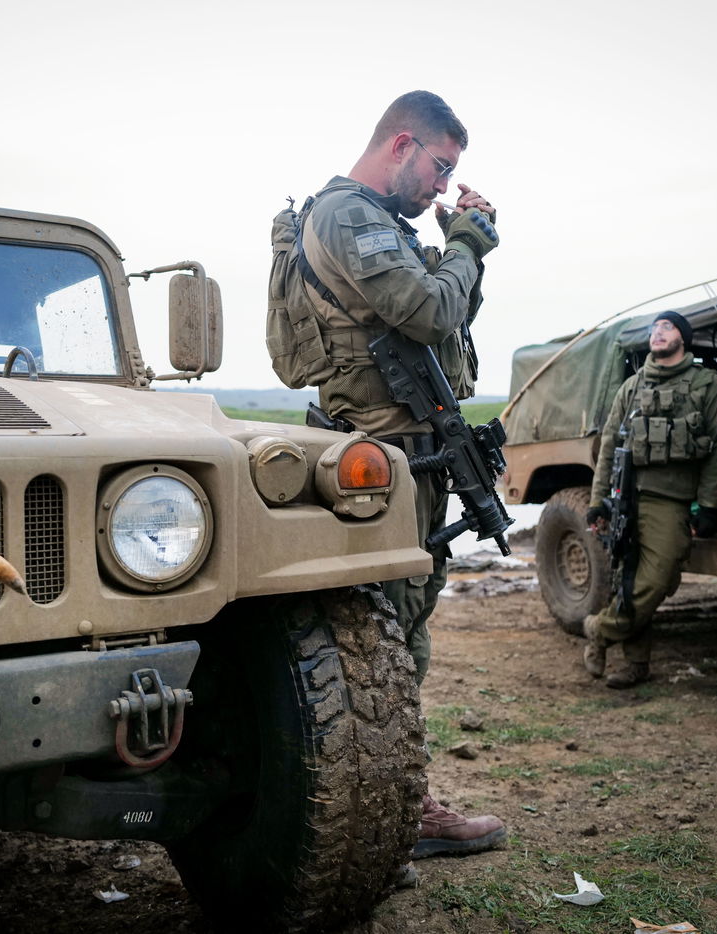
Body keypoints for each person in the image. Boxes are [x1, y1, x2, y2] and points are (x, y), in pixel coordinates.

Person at [299, 90, 505, 858]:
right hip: (382, 460)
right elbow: (426, 311)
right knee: (381, 647)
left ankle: (396, 806)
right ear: (400, 145)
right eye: (440, 168)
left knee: (402, 638)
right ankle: (386, 817)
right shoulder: (348, 216)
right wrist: (467, 244)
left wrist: (465, 246)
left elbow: (446, 319)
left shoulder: (381, 224)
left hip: (411, 453)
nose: (442, 187)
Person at [584, 311, 717, 688]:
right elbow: (609, 447)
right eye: (655, 328)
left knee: (656, 579)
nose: (658, 332)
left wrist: (710, 505)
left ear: (684, 337)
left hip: (672, 498)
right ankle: (635, 663)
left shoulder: (707, 384)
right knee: (625, 577)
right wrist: (598, 501)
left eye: (667, 326)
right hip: (626, 496)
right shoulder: (631, 387)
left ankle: (600, 629)